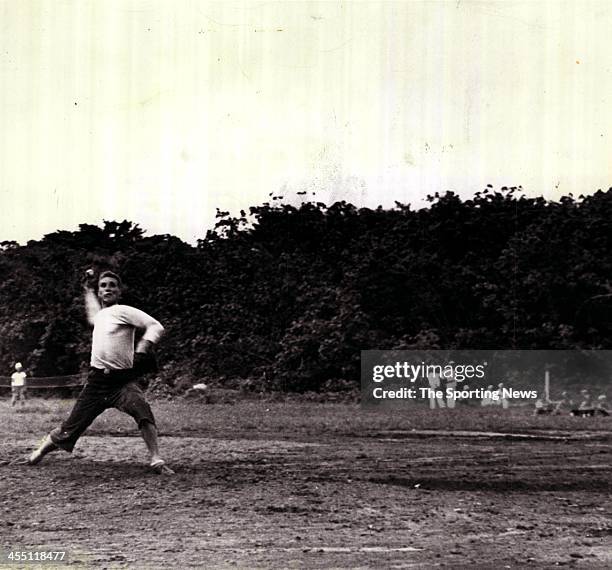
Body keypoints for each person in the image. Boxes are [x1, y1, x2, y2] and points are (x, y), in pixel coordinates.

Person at [28, 270, 173, 474]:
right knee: (70, 428)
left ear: (119, 291)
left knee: (142, 411)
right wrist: (87, 288)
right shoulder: (100, 316)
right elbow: (92, 310)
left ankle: (156, 459)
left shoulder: (124, 311)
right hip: (97, 383)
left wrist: (143, 347)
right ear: (99, 291)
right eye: (103, 285)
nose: (108, 288)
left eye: (112, 285)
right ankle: (39, 453)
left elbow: (155, 326)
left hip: (121, 381)